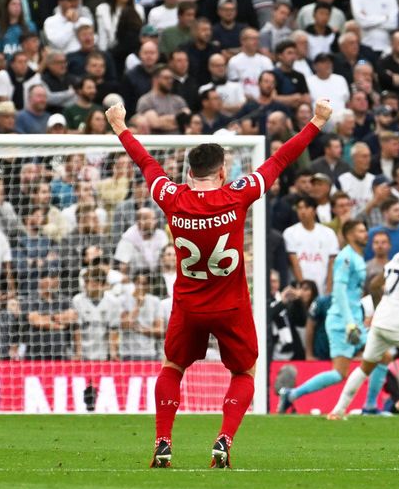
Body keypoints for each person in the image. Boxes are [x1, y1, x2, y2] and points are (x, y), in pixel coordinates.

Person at [106, 97, 331, 468]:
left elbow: (145, 162)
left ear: (188, 173)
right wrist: (316, 122)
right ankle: (224, 439)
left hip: (189, 306)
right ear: (222, 171)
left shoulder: (171, 197)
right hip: (231, 306)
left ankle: (163, 441)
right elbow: (279, 160)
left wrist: (120, 127)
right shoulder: (237, 195)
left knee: (172, 367)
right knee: (244, 371)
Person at [278, 220, 377, 413]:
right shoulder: (346, 258)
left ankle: (371, 405)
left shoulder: (358, 257)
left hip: (354, 320)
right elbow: (338, 292)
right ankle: (291, 395)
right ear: (349, 235)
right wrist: (349, 323)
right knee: (340, 373)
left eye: (366, 230)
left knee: (383, 355)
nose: (366, 234)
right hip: (343, 323)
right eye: (361, 231)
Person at [328, 247, 399, 418]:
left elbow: (374, 285)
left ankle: (337, 410)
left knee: (364, 368)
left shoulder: (396, 257)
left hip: (380, 320)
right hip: (396, 321)